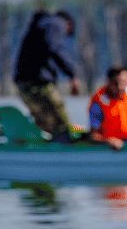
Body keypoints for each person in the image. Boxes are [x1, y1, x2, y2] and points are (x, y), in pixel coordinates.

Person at [13, 9, 81, 141]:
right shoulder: (56, 24)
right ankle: (66, 152)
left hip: (24, 85)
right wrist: (72, 74)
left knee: (45, 123)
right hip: (39, 83)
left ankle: (48, 150)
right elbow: (54, 48)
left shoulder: (41, 25)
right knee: (61, 124)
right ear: (69, 25)